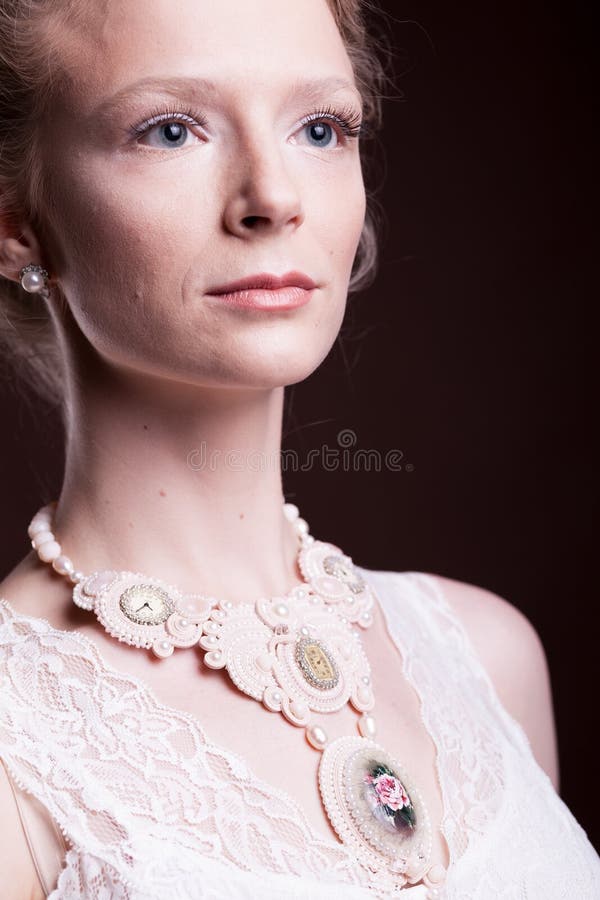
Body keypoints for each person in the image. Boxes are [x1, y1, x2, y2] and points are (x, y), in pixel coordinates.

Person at [0, 0, 598, 898]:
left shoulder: (487, 656)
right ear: (17, 224)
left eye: (320, 128)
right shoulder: (16, 739)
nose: (275, 197)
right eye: (171, 130)